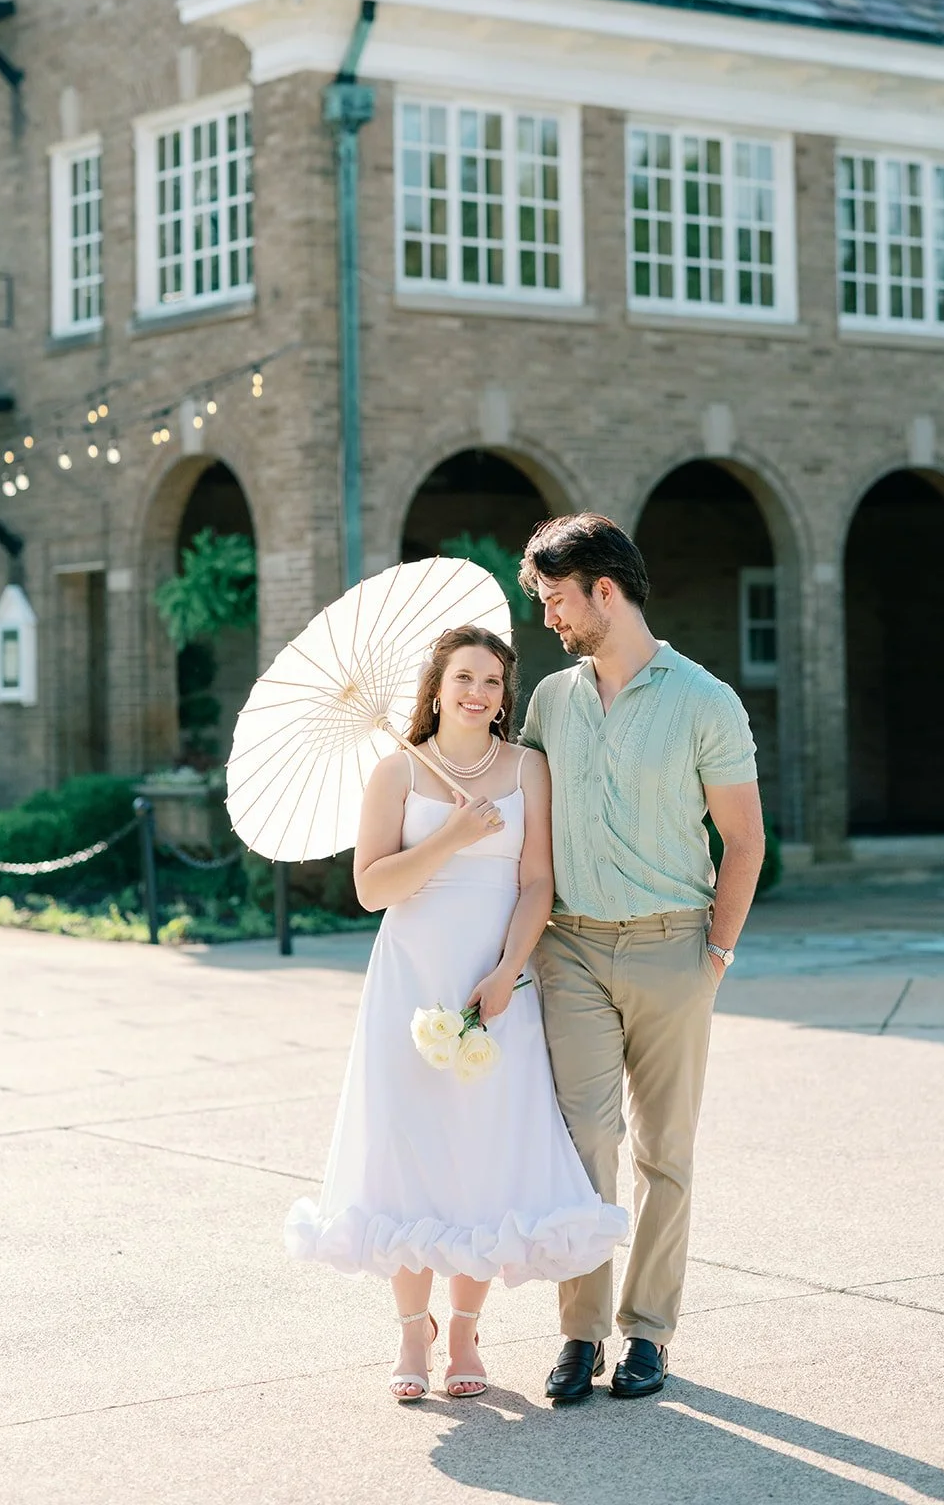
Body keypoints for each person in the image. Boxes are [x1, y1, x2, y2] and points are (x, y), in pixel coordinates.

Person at [284, 623, 627, 1403]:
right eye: (463, 678)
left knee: (479, 1149)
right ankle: (414, 1330)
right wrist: (454, 836)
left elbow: (536, 882)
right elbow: (372, 889)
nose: (478, 693)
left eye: (492, 682)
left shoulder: (526, 770)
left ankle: (466, 1329)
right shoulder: (395, 774)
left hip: (492, 978)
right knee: (409, 1150)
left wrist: (509, 970)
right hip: (409, 979)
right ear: (435, 688)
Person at [518, 514, 765, 1404]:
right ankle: (578, 1335)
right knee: (583, 1145)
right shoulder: (550, 702)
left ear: (604, 591)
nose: (547, 618)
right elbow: (522, 829)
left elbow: (743, 841)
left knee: (666, 1151)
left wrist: (716, 955)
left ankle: (649, 1332)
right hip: (571, 950)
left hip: (674, 948)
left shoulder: (705, 701)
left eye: (554, 600)